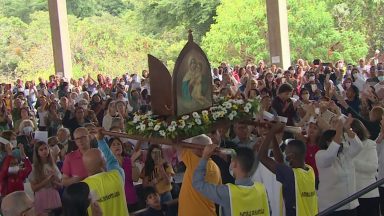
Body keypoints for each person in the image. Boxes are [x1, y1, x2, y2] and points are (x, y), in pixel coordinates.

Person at [259, 122, 318, 216]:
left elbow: (262, 156)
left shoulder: (290, 174)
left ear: (291, 156)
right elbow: (280, 161)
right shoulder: (310, 171)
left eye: (286, 155)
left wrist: (272, 131)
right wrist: (273, 135)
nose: (284, 157)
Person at [193, 145, 269, 216]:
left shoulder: (227, 193)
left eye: (231, 161)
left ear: (235, 164)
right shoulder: (262, 189)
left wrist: (205, 157)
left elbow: (198, 183)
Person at [316, 117, 362, 215]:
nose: (341, 142)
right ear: (327, 142)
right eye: (337, 140)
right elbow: (330, 155)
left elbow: (358, 147)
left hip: (351, 205)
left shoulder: (344, 153)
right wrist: (338, 130)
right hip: (332, 209)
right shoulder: (320, 155)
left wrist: (348, 129)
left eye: (341, 139)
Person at [82, 128, 129, 216]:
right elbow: (112, 161)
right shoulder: (117, 175)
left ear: (86, 168)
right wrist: (100, 140)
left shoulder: (84, 186)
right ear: (104, 163)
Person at [178, 135, 222, 216]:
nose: (189, 149)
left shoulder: (195, 162)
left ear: (200, 150)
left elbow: (176, 142)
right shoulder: (215, 167)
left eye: (191, 147)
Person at [351, 119, 380, 216]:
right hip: (351, 195)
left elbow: (373, 167)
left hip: (367, 194)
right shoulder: (346, 145)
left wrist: (351, 162)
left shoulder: (370, 144)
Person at [29, 141, 62, 215]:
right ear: (37, 152)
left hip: (54, 196)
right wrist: (47, 180)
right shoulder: (34, 167)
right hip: (42, 197)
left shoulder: (53, 165)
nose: (44, 151)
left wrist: (55, 182)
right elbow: (34, 188)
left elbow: (60, 185)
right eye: (41, 150)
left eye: (46, 148)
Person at [108, 137, 139, 211]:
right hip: (117, 200)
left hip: (131, 198)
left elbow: (135, 179)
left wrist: (132, 163)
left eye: (119, 144)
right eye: (113, 145)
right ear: (109, 149)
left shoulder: (128, 160)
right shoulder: (107, 164)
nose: (117, 146)